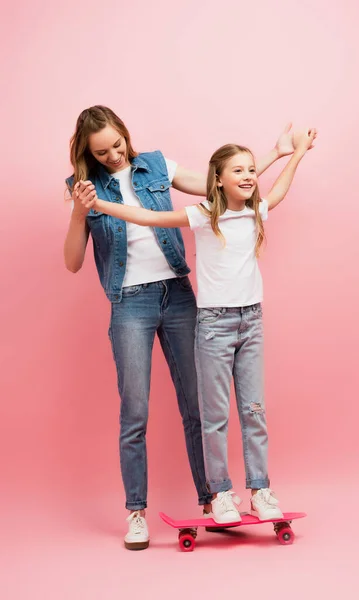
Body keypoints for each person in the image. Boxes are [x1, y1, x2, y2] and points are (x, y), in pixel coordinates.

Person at [65, 105, 302, 546]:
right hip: (129, 304)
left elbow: (221, 186)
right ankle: (136, 512)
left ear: (126, 135)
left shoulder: (156, 165)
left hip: (178, 296)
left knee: (200, 405)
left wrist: (276, 154)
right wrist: (82, 212)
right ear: (87, 154)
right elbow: (73, 262)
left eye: (118, 144)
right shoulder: (83, 190)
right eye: (102, 152)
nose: (114, 155)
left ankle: (215, 498)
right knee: (134, 411)